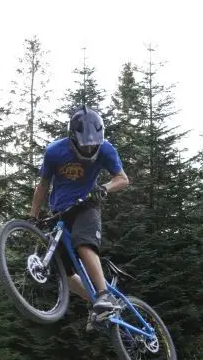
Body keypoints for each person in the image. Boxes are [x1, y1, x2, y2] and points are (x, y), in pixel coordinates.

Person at [29, 105, 130, 331]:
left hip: (87, 205)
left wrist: (103, 188)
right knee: (64, 273)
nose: (90, 147)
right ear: (72, 138)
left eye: (94, 143)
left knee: (83, 244)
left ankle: (103, 294)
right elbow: (43, 185)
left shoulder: (106, 149)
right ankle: (96, 302)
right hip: (59, 212)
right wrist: (32, 217)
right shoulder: (54, 152)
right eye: (85, 144)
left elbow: (122, 179)